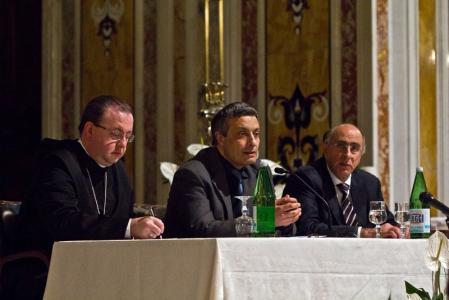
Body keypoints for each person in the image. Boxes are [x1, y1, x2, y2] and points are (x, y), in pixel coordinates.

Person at [18, 95, 164, 255]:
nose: (123, 144)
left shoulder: (118, 169)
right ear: (89, 131)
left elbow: (123, 215)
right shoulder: (58, 163)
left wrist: (147, 225)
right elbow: (62, 222)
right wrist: (129, 227)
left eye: (128, 136)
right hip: (48, 265)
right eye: (116, 133)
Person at [164, 101, 301, 238]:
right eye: (243, 134)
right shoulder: (193, 174)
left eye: (256, 134)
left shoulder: (258, 171)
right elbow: (203, 231)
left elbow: (270, 232)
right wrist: (263, 221)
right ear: (220, 138)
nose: (253, 142)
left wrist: (284, 219)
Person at [283, 123, 401, 238]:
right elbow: (308, 227)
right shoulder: (304, 179)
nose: (347, 155)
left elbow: (386, 221)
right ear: (326, 148)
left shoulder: (370, 183)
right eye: (340, 146)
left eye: (354, 148)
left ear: (361, 154)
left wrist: (397, 229)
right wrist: (362, 232)